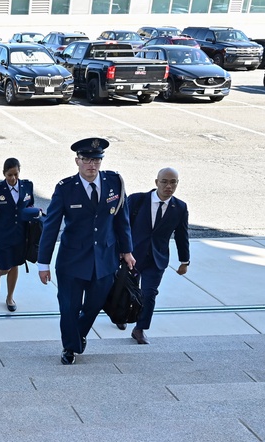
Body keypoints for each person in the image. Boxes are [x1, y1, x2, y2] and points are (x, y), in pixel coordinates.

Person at [38, 138, 134, 365]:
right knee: (69, 307)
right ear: (77, 161)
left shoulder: (114, 183)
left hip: (104, 260)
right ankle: (70, 347)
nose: (92, 165)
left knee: (94, 305)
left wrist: (127, 250)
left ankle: (77, 333)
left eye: (96, 160)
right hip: (72, 261)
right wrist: (43, 263)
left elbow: (122, 219)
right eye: (87, 160)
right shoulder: (65, 189)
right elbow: (51, 226)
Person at [125, 167, 190, 344]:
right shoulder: (137, 200)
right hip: (132, 256)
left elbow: (181, 236)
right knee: (126, 291)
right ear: (156, 182)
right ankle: (121, 315)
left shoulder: (180, 208)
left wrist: (184, 261)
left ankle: (140, 329)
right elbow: (122, 227)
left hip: (157, 258)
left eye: (173, 182)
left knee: (149, 293)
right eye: (164, 182)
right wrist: (121, 251)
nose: (169, 186)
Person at [0, 157, 42, 312]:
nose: (13, 178)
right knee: (5, 267)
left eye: (16, 174)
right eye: (10, 175)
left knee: (15, 265)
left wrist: (35, 214)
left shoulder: (27, 186)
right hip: (2, 234)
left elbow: (30, 205)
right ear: (4, 174)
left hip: (21, 234)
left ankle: (9, 297)